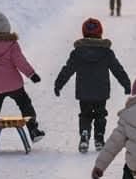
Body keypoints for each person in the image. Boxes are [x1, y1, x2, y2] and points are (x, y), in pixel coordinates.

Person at [54, 17, 131, 153]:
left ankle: (84, 134)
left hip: (84, 91)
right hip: (101, 90)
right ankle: (99, 138)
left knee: (85, 114)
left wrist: (59, 84)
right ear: (100, 32)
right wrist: (126, 83)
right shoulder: (106, 52)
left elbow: (68, 69)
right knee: (100, 115)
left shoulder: (78, 52)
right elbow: (117, 69)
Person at [0, 11, 45, 151]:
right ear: (7, 27)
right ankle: (33, 130)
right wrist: (31, 74)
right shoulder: (12, 44)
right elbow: (20, 62)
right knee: (25, 105)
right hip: (14, 85)